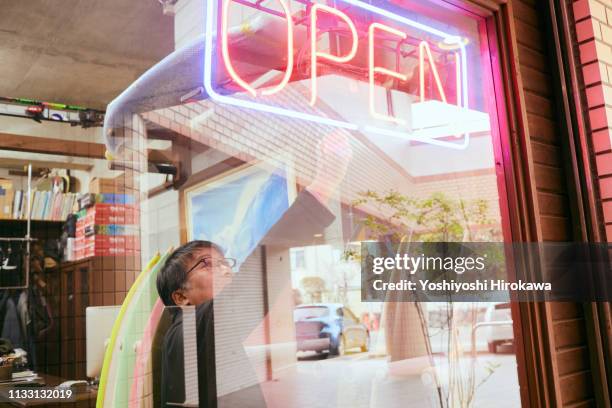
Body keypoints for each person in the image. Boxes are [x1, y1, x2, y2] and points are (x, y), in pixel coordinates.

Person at [156, 131, 352, 407]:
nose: (226, 270)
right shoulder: (187, 332)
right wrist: (326, 181)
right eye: (208, 264)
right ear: (180, 297)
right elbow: (262, 265)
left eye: (226, 262)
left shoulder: (203, 336)